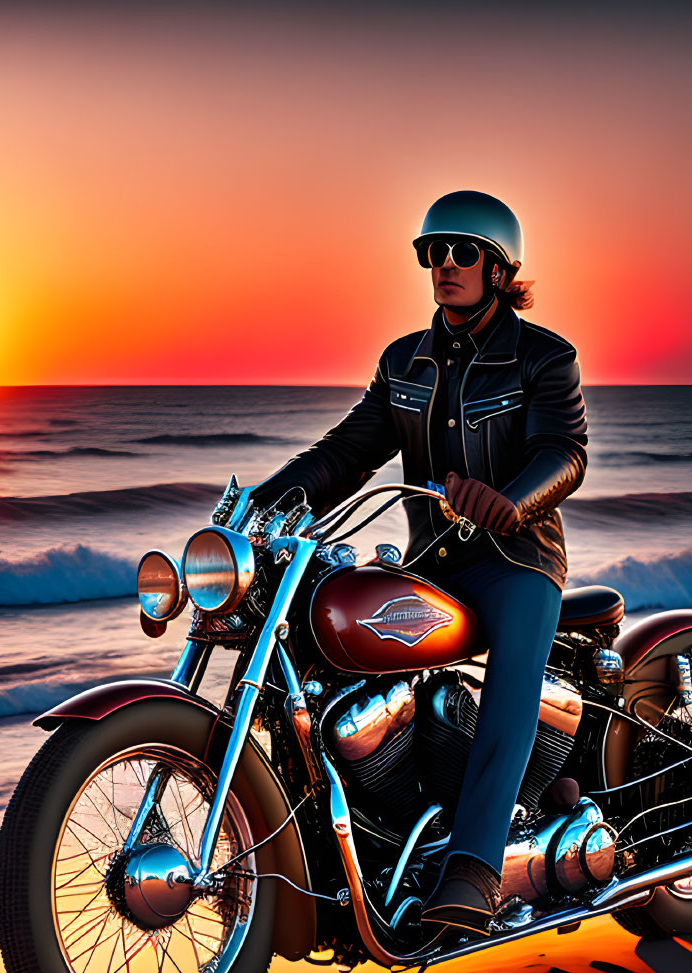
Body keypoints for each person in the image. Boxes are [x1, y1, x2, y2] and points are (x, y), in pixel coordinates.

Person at [250, 190, 587, 934]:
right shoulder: (406, 361)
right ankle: (373, 835)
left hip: (517, 559)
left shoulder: (542, 357)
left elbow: (564, 451)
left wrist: (509, 500)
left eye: (462, 251)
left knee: (508, 683)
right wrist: (262, 505)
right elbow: (348, 451)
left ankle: (472, 866)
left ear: (499, 269)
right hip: (430, 562)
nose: (444, 265)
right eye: (431, 251)